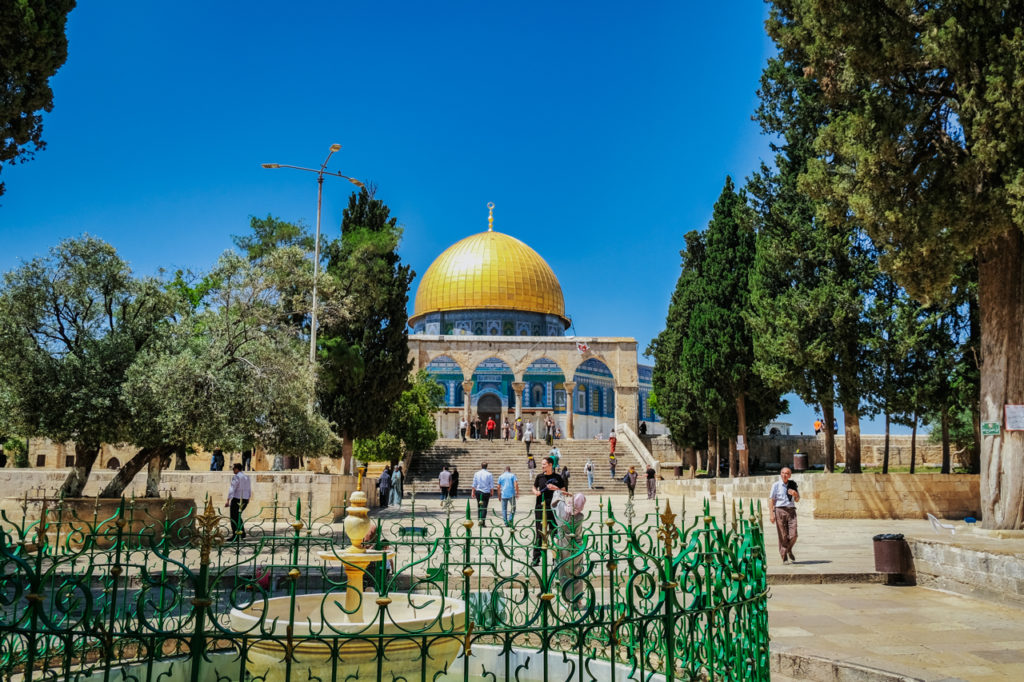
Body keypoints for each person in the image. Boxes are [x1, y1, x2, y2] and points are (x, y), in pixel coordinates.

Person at [532, 456, 566, 566]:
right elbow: (534, 487)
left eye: (544, 464)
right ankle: (536, 558)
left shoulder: (557, 477)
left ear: (550, 465)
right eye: (542, 464)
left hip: (553, 508)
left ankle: (555, 558)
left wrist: (555, 488)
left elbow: (564, 491)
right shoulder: (539, 477)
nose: (542, 466)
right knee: (539, 533)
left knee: (554, 533)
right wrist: (535, 492)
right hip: (540, 508)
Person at [554, 492, 587, 602]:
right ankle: (577, 600)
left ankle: (565, 599)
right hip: (576, 548)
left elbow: (555, 503)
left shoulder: (563, 511)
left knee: (563, 573)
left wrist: (559, 492)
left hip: (564, 546)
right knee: (576, 573)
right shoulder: (580, 516)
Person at [768, 467, 800, 563]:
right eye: (782, 473)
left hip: (791, 511)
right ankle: (784, 555)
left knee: (794, 535)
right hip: (779, 510)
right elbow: (772, 500)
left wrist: (796, 495)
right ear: (780, 474)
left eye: (786, 473)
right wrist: (771, 514)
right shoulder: (776, 485)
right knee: (783, 535)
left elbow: (797, 499)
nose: (784, 475)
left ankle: (788, 549)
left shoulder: (793, 485)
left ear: (789, 475)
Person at [225, 463, 252, 541]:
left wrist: (228, 500)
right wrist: (248, 497)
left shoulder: (236, 477)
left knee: (234, 516)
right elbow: (249, 488)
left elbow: (232, 488)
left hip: (237, 499)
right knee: (238, 516)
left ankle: (236, 534)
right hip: (245, 499)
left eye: (234, 469)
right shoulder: (247, 477)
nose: (233, 470)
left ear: (237, 469)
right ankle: (242, 533)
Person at [472, 463, 495, 527]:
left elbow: (474, 484)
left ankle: (479, 519)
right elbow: (491, 484)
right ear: (487, 466)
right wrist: (492, 492)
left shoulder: (477, 473)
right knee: (484, 507)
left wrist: (473, 492)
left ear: (481, 466)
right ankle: (482, 521)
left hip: (478, 491)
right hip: (486, 492)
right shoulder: (489, 474)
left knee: (479, 506)